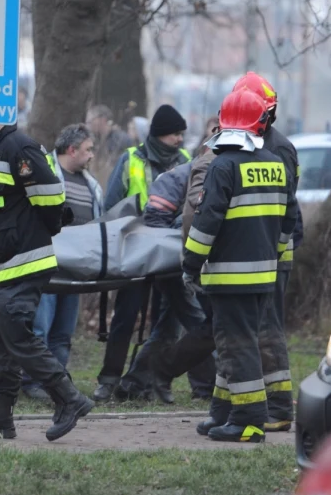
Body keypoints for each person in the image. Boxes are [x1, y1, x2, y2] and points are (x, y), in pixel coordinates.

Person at [0, 121, 94, 442]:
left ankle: (69, 398)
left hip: (21, 264)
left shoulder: (19, 147)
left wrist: (32, 234)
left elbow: (51, 200)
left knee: (18, 337)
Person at [182, 89, 297, 442]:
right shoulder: (275, 164)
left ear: (223, 122)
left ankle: (247, 421)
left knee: (237, 344)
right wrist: (273, 258)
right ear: (261, 122)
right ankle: (223, 412)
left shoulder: (223, 166)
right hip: (265, 275)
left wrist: (190, 263)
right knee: (233, 341)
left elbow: (206, 222)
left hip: (230, 277)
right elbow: (289, 220)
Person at [93, 105, 193, 402]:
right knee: (125, 317)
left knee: (170, 324)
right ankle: (108, 380)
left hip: (172, 256)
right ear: (161, 135)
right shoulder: (131, 160)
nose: (179, 139)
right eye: (175, 134)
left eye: (181, 134)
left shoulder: (187, 160)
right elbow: (111, 208)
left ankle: (148, 381)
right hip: (135, 254)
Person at [231, 72, 302, 432]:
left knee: (266, 329)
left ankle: (277, 408)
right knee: (242, 329)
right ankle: (242, 404)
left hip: (272, 254)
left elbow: (288, 209)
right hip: (253, 253)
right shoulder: (251, 144)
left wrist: (276, 250)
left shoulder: (278, 148)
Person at [114, 160, 217, 403]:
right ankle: (204, 387)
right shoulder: (183, 176)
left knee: (168, 329)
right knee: (200, 325)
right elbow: (156, 221)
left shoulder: (202, 171)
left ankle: (134, 385)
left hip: (182, 264)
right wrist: (177, 246)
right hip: (174, 267)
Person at [20, 124, 105, 400]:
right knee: (41, 328)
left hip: (75, 270)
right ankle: (33, 383)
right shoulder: (46, 173)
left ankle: (57, 384)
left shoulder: (91, 185)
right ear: (72, 149)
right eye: (88, 149)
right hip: (47, 266)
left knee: (63, 332)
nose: (92, 155)